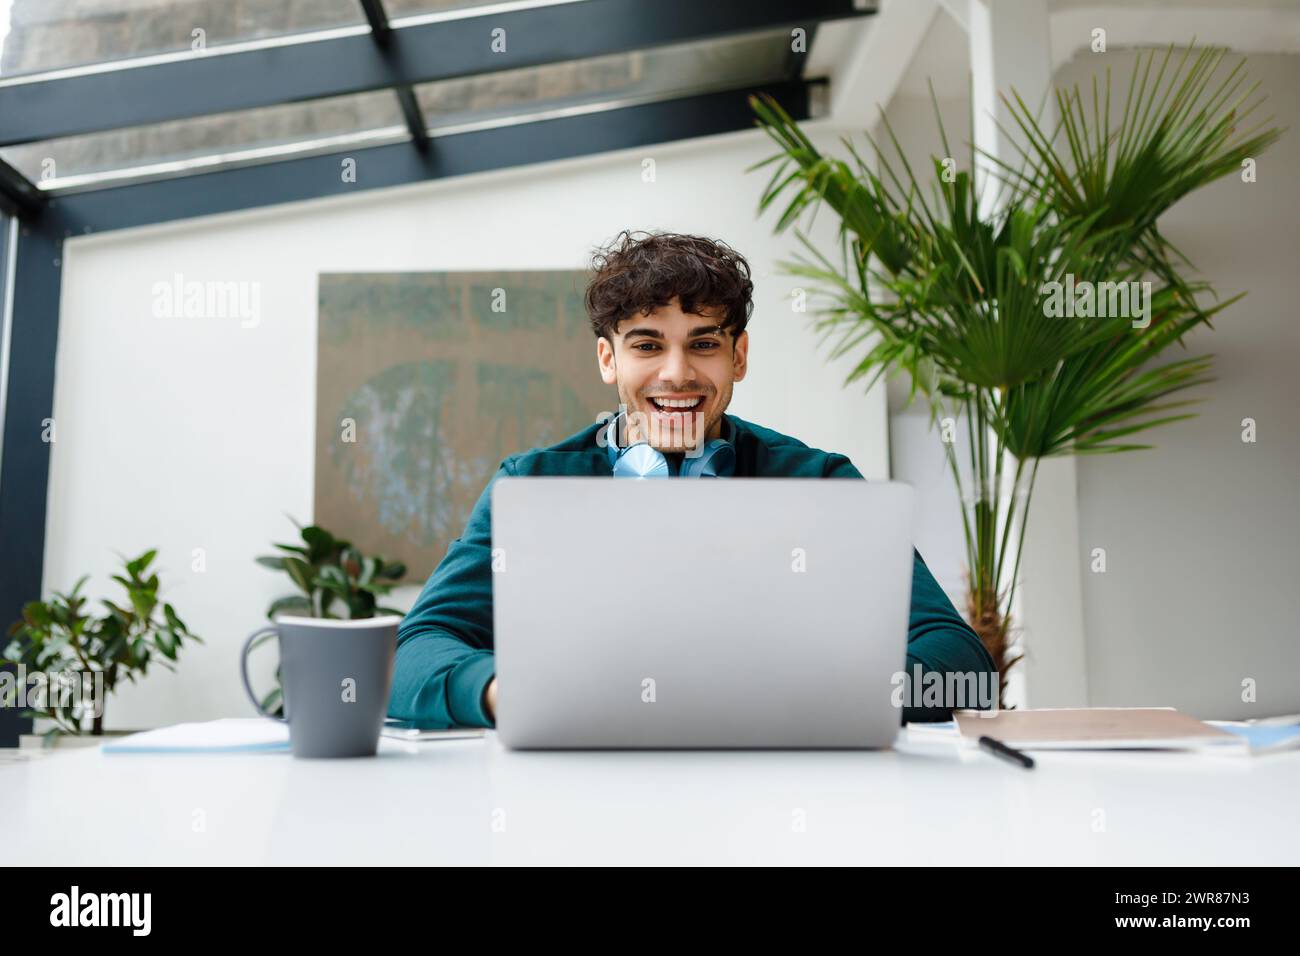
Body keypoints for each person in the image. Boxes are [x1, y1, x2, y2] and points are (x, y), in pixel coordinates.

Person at [389, 230, 996, 728]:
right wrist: (506, 692)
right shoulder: (529, 484)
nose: (676, 374)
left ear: (739, 356)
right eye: (647, 345)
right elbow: (412, 654)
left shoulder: (820, 482)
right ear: (609, 360)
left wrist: (818, 695)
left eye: (703, 343)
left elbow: (961, 661)